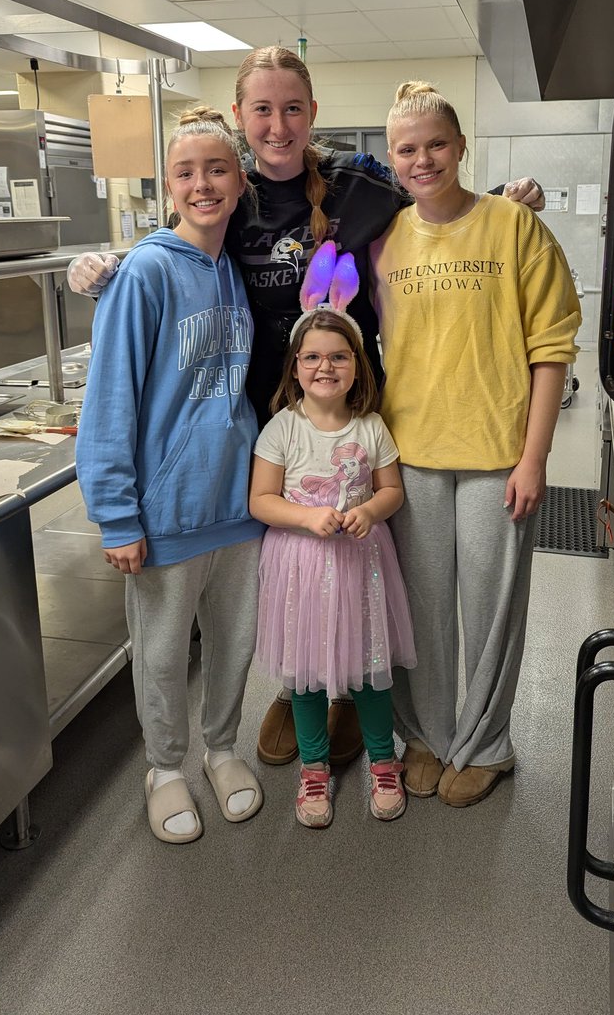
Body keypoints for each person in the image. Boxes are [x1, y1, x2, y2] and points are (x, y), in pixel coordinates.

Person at [67, 45, 545, 770]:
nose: (278, 124)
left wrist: (507, 197)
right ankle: (302, 687)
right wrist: (114, 261)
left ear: (313, 112)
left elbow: (435, 192)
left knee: (358, 558)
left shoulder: (360, 183)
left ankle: (356, 687)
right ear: (240, 116)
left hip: (354, 417)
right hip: (261, 428)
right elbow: (185, 232)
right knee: (291, 569)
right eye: (261, 109)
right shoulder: (234, 190)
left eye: (293, 107)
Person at [370, 80, 581, 807]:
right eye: (407, 149)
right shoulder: (385, 240)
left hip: (497, 455)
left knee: (490, 607)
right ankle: (425, 737)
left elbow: (552, 348)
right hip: (412, 454)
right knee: (420, 610)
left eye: (435, 144)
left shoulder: (515, 228)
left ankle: (487, 745)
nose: (422, 159)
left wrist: (535, 457)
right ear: (392, 160)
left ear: (461, 147)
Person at [75, 107, 264, 843]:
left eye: (216, 168)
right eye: (185, 172)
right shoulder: (145, 272)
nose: (202, 184)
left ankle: (222, 750)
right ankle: (165, 768)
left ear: (239, 179)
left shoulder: (232, 271)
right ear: (169, 185)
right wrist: (117, 516)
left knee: (233, 644)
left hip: (237, 506)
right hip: (166, 514)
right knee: (160, 656)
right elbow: (110, 400)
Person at [248, 254, 415, 827]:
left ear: (356, 364)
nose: (326, 366)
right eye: (314, 357)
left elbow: (391, 489)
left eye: (339, 356)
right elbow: (261, 501)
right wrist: (304, 517)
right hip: (301, 567)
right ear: (295, 366)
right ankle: (314, 770)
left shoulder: (370, 426)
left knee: (370, 666)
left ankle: (382, 759)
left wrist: (369, 509)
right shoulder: (282, 429)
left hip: (362, 567)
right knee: (306, 670)